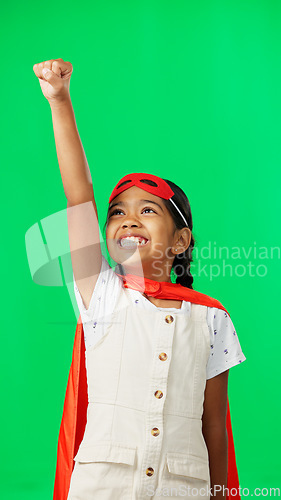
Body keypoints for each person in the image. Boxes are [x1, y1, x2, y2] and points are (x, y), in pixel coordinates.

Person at [33, 58, 246, 500]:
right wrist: (59, 101)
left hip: (182, 487)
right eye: (118, 214)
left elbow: (214, 426)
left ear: (181, 239)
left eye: (147, 211)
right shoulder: (101, 293)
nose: (128, 221)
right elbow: (78, 194)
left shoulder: (211, 319)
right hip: (101, 486)